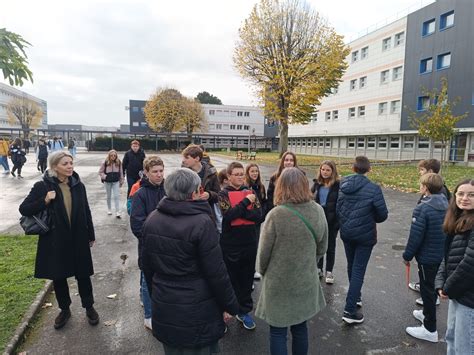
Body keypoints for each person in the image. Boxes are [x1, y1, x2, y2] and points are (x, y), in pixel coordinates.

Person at [142, 168, 240, 354]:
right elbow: (216, 272)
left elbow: (147, 266)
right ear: (195, 192)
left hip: (165, 302)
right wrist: (230, 305)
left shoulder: (152, 219)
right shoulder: (201, 223)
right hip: (199, 307)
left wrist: (157, 294)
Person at [19, 151, 99, 329]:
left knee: (83, 275)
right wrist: (45, 200)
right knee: (59, 276)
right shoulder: (42, 186)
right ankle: (64, 309)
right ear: (55, 166)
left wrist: (90, 234)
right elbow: (24, 209)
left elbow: (86, 211)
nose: (70, 166)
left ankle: (89, 307)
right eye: (65, 164)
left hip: (78, 237)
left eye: (71, 163)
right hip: (55, 240)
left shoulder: (79, 185)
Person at [256, 167, 328, 355]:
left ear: (281, 186)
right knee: (300, 327)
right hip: (305, 279)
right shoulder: (318, 210)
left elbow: (263, 254)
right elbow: (322, 247)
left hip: (278, 282)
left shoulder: (276, 215)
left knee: (278, 331)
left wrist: (263, 272)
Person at [337, 156, 388, 324]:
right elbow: (382, 214)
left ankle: (355, 296)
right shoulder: (374, 189)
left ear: (353, 168)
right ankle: (350, 310)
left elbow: (338, 208)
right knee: (358, 269)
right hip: (365, 235)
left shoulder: (343, 185)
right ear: (369, 169)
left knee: (352, 266)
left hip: (347, 233)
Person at [402, 173, 448, 343]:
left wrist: (407, 255)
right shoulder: (446, 204)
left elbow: (416, 236)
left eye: (421, 184)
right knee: (431, 287)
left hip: (427, 257)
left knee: (427, 290)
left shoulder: (423, 207)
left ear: (426, 188)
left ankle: (430, 329)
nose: (420, 187)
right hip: (441, 255)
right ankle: (426, 314)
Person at [218, 161, 262, 330]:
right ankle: (226, 310)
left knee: (246, 279)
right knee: (230, 279)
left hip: (249, 242)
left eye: (241, 174)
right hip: (230, 244)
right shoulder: (223, 194)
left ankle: (243, 311)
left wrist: (240, 211)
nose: (240, 177)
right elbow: (228, 216)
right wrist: (245, 204)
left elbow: (259, 216)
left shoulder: (250, 192)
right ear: (228, 177)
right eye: (236, 174)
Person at [435, 179, 474, 354]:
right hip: (457, 292)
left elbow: (470, 264)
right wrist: (440, 281)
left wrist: (448, 287)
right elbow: (448, 255)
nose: (464, 198)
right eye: (461, 193)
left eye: (471, 195)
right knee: (451, 338)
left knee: (464, 346)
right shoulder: (459, 218)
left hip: (469, 298)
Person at [130, 156, 166, 330]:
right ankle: (149, 315)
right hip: (149, 247)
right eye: (155, 172)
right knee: (147, 280)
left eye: (161, 171)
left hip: (169, 246)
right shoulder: (140, 194)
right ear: (146, 172)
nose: (159, 175)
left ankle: (159, 307)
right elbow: (137, 225)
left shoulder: (168, 190)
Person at [409, 158, 451, 293]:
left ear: (431, 172)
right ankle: (427, 288)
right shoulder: (438, 191)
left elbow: (419, 232)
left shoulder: (439, 194)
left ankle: (430, 297)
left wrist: (408, 254)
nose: (420, 173)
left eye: (422, 170)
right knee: (428, 274)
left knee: (430, 277)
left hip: (431, 247)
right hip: (434, 247)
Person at [311, 160, 340, 284]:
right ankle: (319, 268)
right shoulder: (317, 184)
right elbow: (310, 198)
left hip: (332, 220)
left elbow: (340, 203)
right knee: (319, 245)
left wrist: (338, 221)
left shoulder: (337, 185)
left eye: (328, 170)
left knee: (330, 246)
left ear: (332, 172)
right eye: (323, 169)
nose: (325, 172)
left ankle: (329, 271)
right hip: (319, 218)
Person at [245, 163, 267, 280]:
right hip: (247, 221)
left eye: (256, 171)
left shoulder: (261, 187)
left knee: (255, 246)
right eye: (252, 171)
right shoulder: (245, 187)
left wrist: (262, 216)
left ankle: (252, 271)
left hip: (257, 222)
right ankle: (246, 273)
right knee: (246, 247)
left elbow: (264, 202)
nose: (255, 173)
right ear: (248, 173)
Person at [98, 150, 124, 218]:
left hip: (116, 181)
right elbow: (100, 172)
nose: (113, 157)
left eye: (114, 155)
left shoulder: (119, 162)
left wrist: (121, 181)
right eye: (111, 155)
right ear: (109, 156)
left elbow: (121, 172)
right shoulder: (105, 162)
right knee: (108, 196)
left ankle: (117, 211)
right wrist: (105, 176)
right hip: (107, 182)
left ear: (116, 156)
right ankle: (109, 209)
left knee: (116, 196)